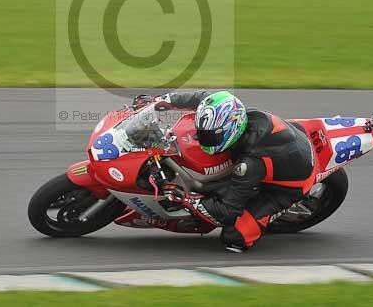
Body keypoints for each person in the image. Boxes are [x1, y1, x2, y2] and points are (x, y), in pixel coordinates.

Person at [132, 90, 315, 252]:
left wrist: (185, 199)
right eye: (203, 133)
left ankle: (267, 214)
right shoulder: (227, 107)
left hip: (288, 186)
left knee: (234, 238)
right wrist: (158, 101)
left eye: (210, 136)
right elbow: (199, 98)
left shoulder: (249, 164)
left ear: (231, 131)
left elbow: (227, 211)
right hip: (287, 145)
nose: (203, 139)